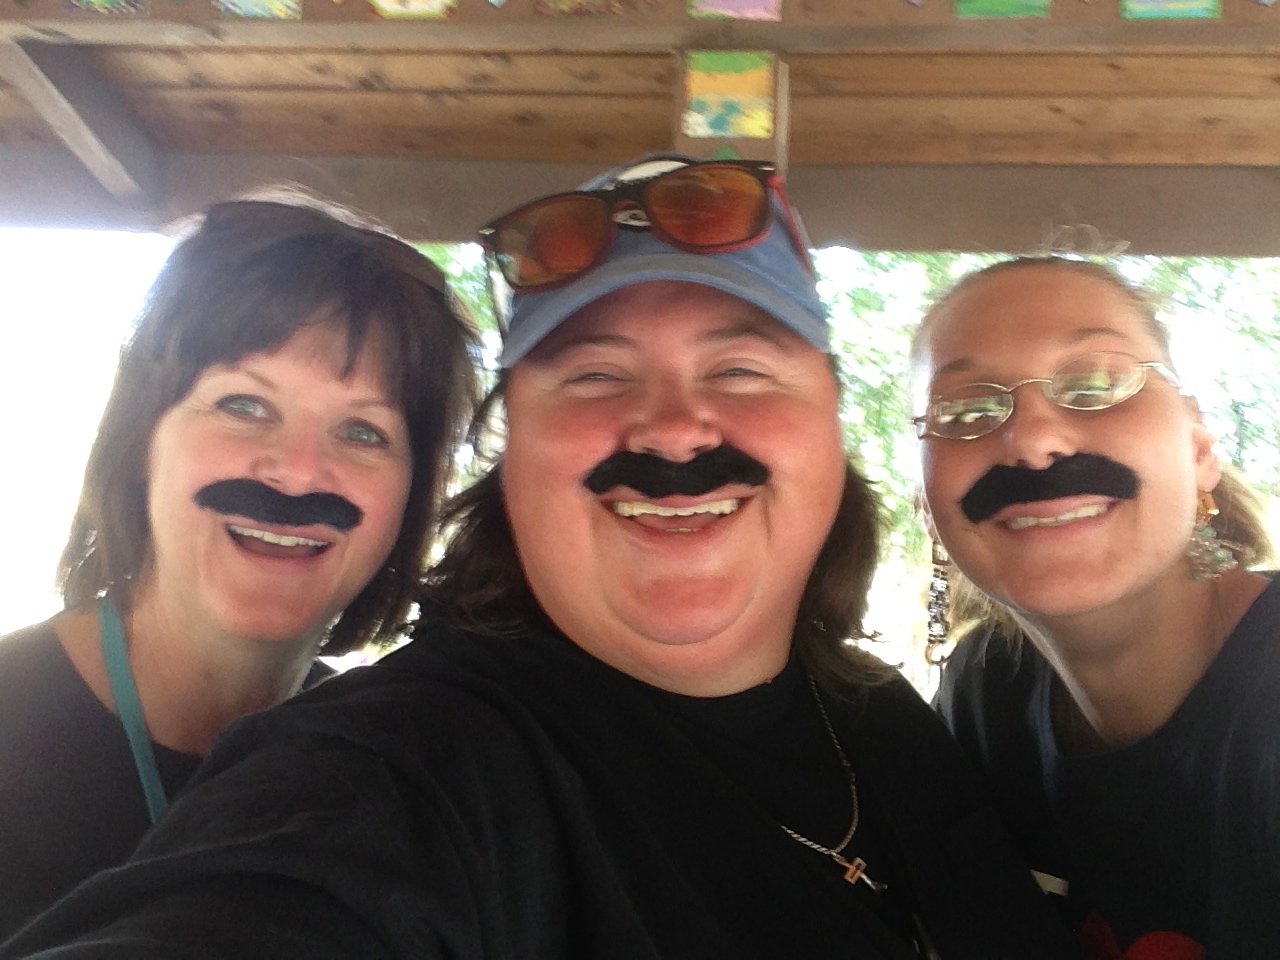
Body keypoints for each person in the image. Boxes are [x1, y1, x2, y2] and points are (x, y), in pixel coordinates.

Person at [1, 156, 1080, 959]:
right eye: (593, 376)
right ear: (508, 464)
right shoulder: (406, 763)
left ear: (832, 426)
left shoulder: (888, 723)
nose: (674, 429)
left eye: (742, 370)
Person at [0, 195, 477, 939]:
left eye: (363, 431)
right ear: (141, 440)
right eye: (245, 405)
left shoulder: (379, 769)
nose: (298, 471)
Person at [912, 256, 1279, 958]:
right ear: (925, 504)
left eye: (1096, 385)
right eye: (966, 410)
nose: (1032, 441)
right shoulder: (985, 692)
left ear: (1199, 447)